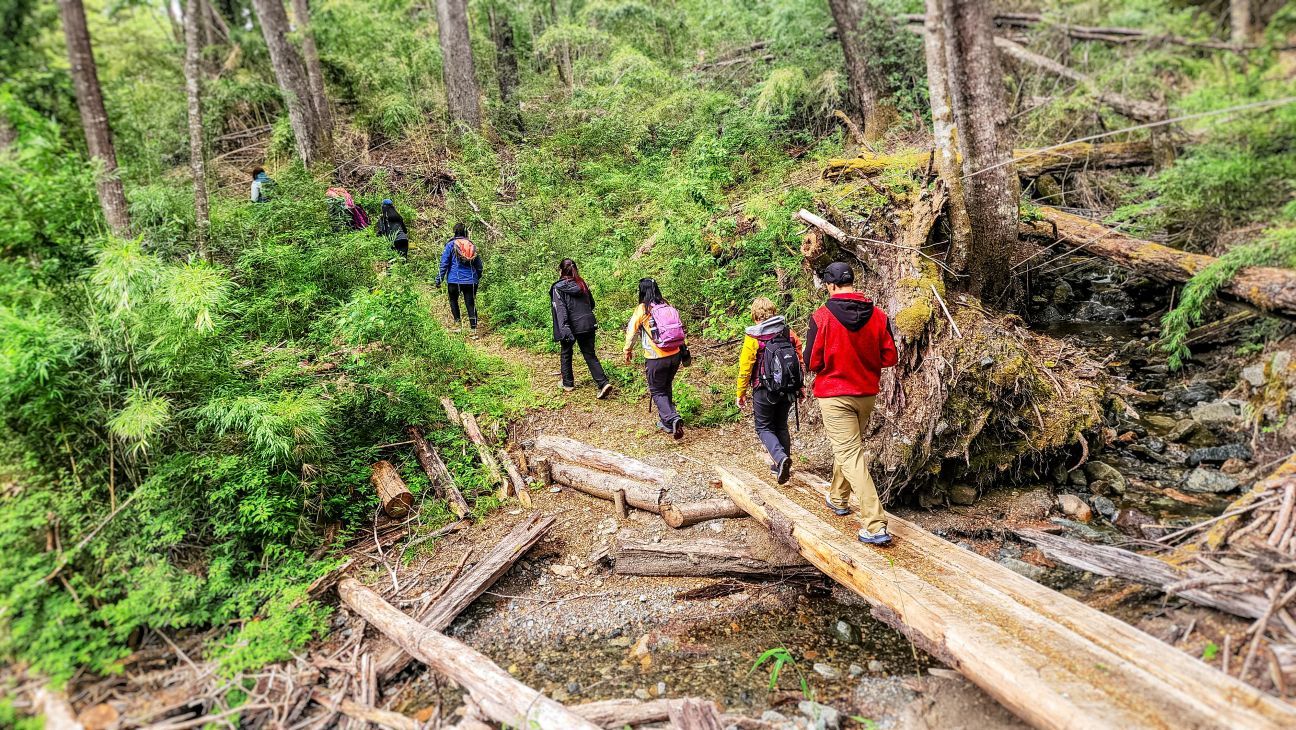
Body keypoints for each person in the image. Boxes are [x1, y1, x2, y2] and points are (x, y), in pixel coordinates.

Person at [803, 262, 898, 545]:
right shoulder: (879, 316)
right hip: (866, 394)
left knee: (849, 453)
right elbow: (890, 357)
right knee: (848, 448)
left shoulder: (822, 316)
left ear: (830, 285)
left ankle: (875, 524)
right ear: (851, 282)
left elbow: (811, 361)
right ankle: (838, 497)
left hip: (834, 394)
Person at [736, 297, 804, 485]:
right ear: (773, 312)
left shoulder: (753, 337)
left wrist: (741, 393)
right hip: (788, 389)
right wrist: (801, 387)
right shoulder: (788, 332)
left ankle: (780, 459)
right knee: (781, 425)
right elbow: (799, 361)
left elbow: (745, 368)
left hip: (764, 389)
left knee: (763, 427)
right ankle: (782, 465)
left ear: (755, 316)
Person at [624, 278, 686, 439]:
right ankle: (667, 422)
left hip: (656, 357)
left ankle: (672, 418)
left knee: (657, 390)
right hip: (675, 354)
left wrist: (627, 350)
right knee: (666, 386)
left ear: (641, 291)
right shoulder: (667, 305)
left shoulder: (643, 309)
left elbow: (632, 332)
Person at [551, 259, 613, 399]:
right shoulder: (581, 284)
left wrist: (564, 328)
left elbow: (560, 310)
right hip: (588, 323)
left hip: (570, 325)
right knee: (590, 354)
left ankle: (568, 383)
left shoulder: (558, 287)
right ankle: (603, 383)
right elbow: (591, 304)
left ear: (561, 271)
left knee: (566, 352)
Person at [437, 223, 483, 334]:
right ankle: (473, 329)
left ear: (454, 232)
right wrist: (477, 277)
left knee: (453, 301)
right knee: (470, 303)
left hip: (454, 280)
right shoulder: (471, 245)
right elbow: (479, 266)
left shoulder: (450, 245)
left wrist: (439, 279)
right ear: (465, 232)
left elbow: (444, 264)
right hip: (471, 280)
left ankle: (458, 325)